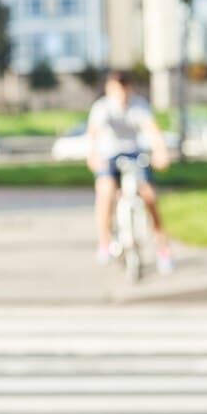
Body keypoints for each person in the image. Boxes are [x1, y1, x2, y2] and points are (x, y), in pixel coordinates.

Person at [87, 69, 174, 274]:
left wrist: (160, 152)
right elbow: (93, 135)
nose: (121, 95)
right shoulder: (102, 108)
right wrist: (93, 156)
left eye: (124, 89)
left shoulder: (139, 106)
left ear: (130, 88)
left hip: (135, 155)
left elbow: (152, 130)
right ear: (109, 90)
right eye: (116, 90)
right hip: (109, 156)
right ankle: (105, 242)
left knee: (149, 196)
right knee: (105, 192)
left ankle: (163, 249)